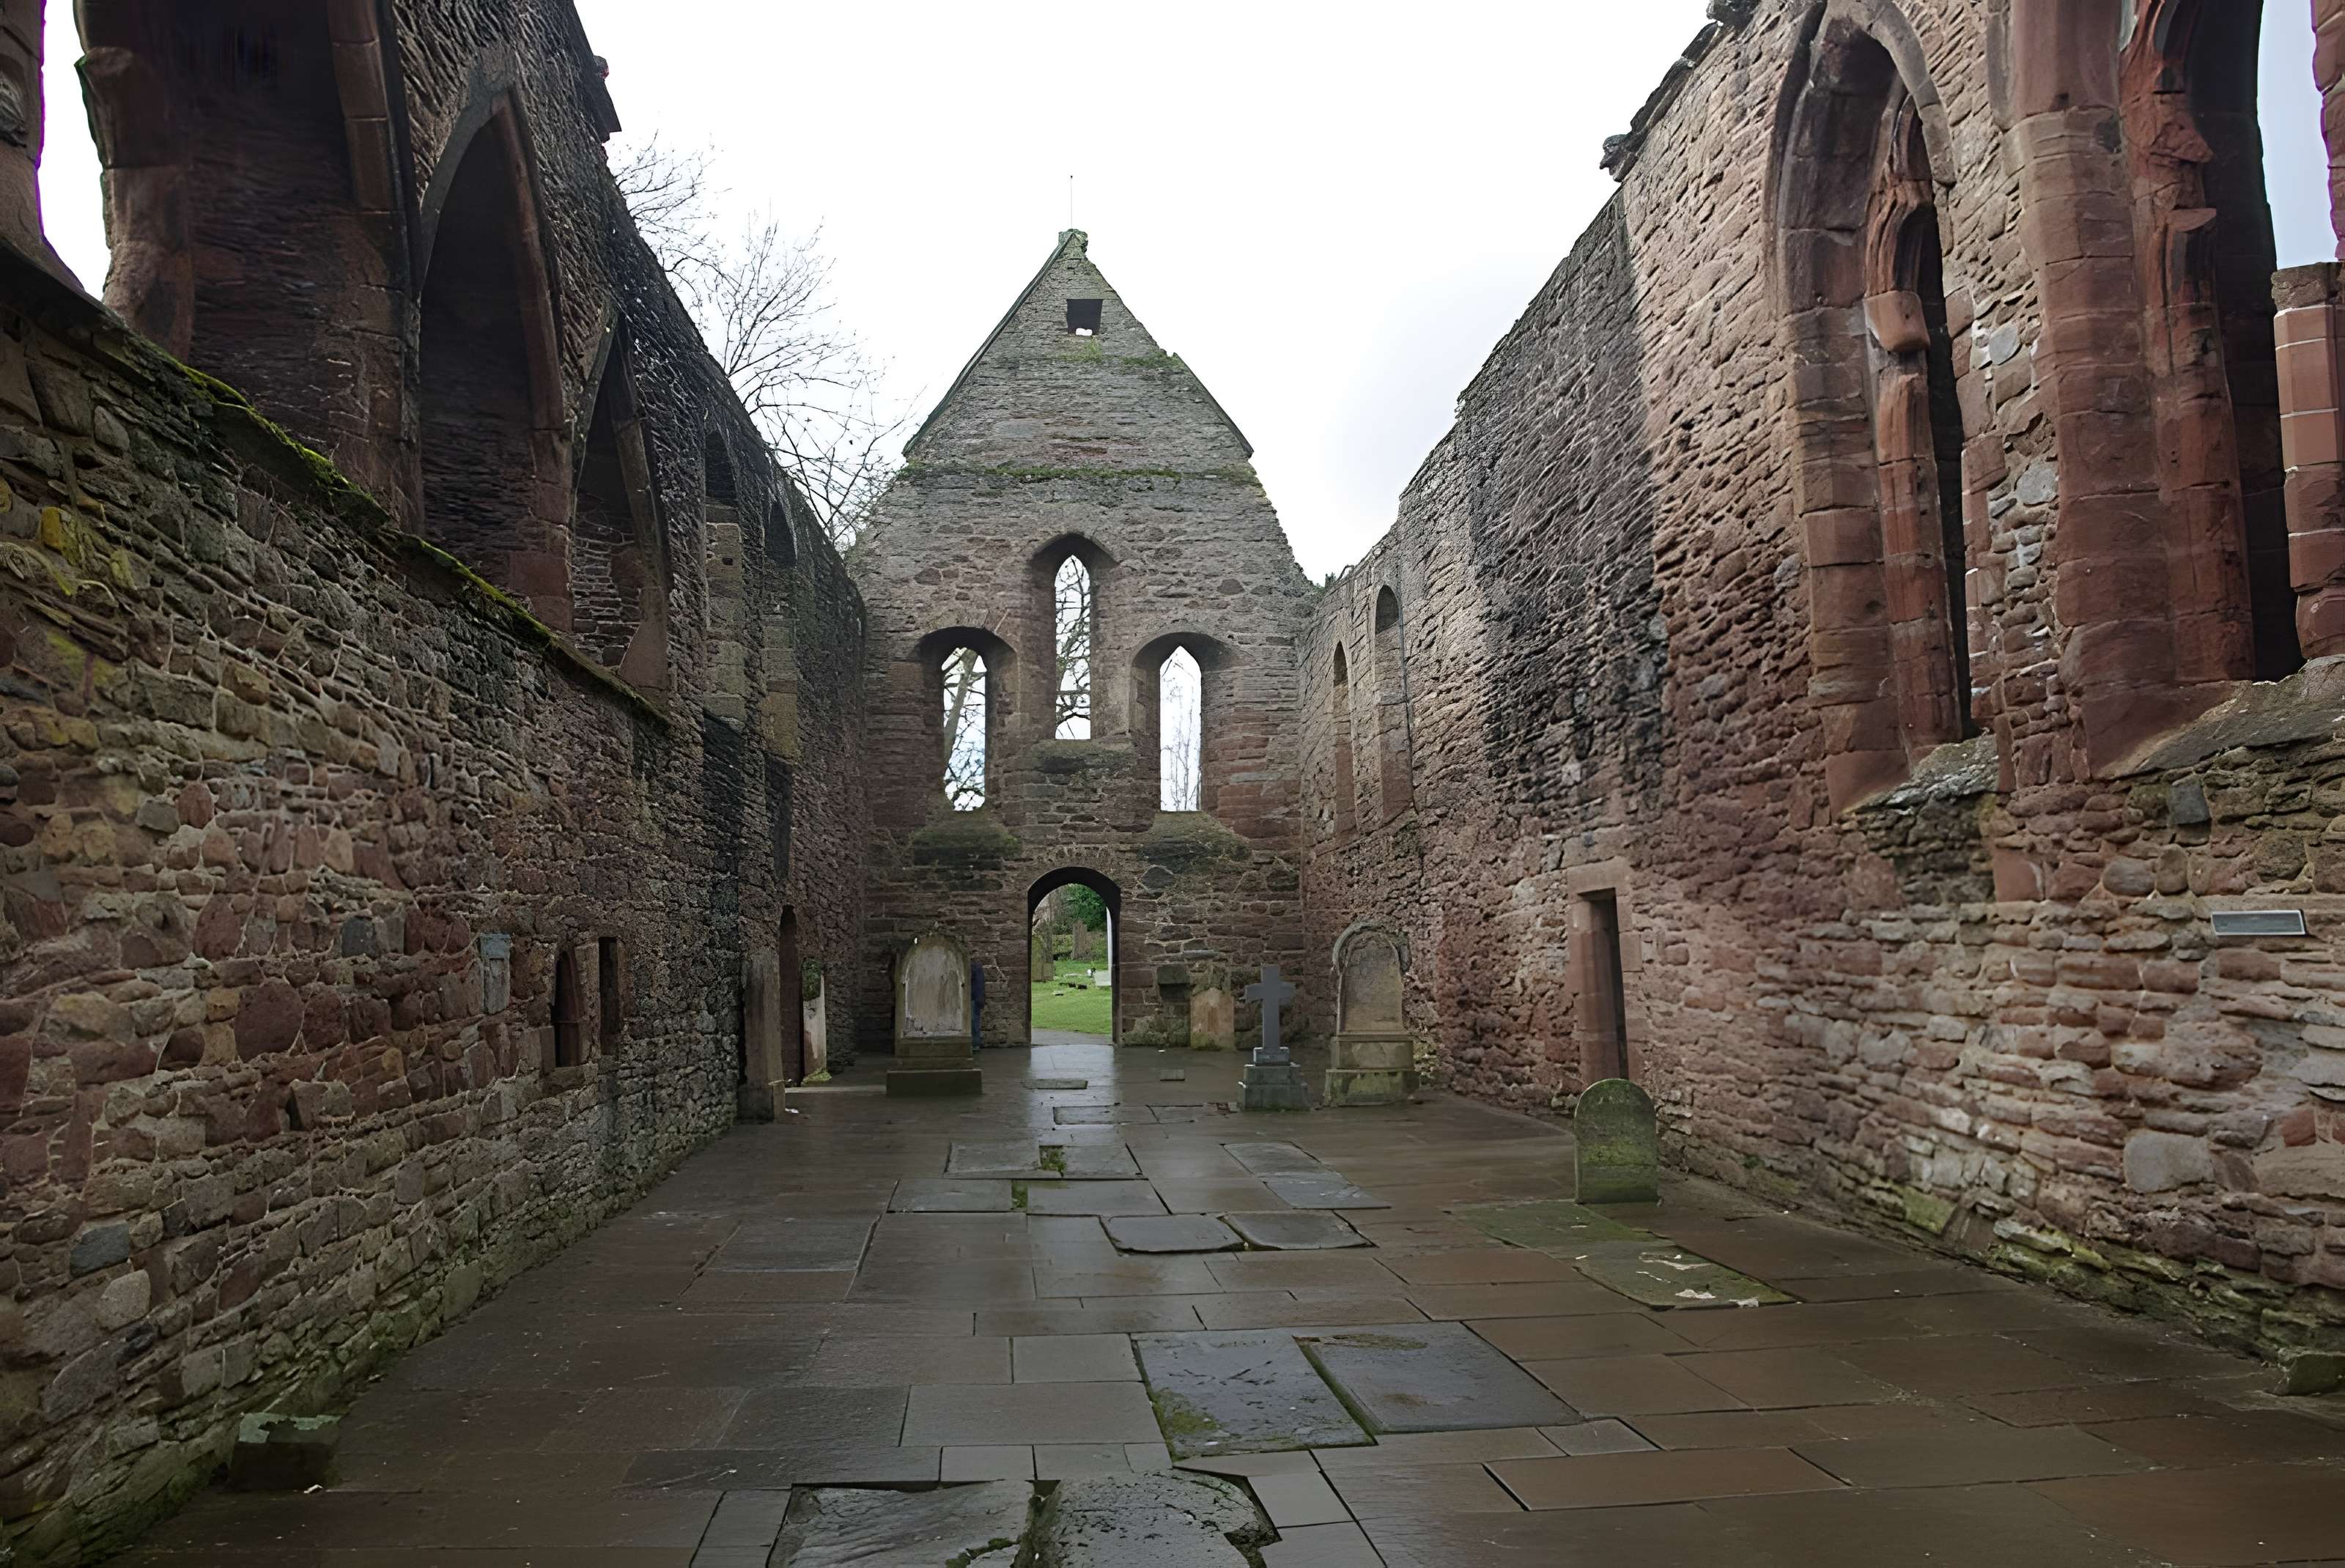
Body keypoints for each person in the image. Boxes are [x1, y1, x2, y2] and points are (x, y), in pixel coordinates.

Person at [970, 956, 986, 1049]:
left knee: (974, 1020)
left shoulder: (976, 967)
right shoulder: (976, 967)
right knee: (974, 1020)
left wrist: (979, 999)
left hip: (974, 998)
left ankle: (975, 1044)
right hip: (974, 998)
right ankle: (975, 1043)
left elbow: (979, 986)